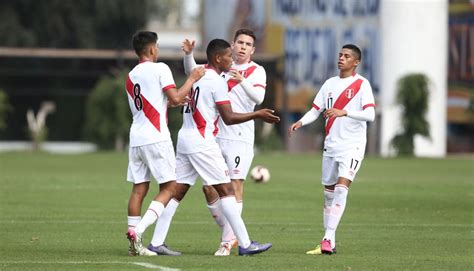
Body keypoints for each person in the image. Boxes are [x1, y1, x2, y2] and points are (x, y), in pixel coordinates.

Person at [134, 38, 278, 256]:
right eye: (229, 56)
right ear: (218, 58)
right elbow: (228, 117)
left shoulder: (199, 75)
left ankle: (155, 241)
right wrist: (257, 114)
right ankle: (245, 244)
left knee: (176, 192)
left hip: (185, 138)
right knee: (227, 190)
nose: (232, 60)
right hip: (202, 142)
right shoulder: (216, 81)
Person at [180, 29, 267, 256]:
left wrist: (243, 80)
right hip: (215, 135)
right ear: (232, 44)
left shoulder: (257, 71)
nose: (243, 47)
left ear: (253, 50)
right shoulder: (220, 67)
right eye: (240, 42)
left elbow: (259, 99)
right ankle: (233, 233)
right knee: (209, 188)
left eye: (248, 44)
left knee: (235, 186)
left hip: (240, 136)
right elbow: (193, 72)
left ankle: (227, 242)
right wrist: (188, 54)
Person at [288, 44, 375, 255]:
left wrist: (344, 112)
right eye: (340, 55)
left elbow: (370, 115)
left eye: (347, 56)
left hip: (352, 146)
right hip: (331, 146)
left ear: (356, 62)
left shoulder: (362, 84)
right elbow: (315, 110)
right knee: (328, 194)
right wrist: (300, 122)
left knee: (341, 188)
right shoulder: (329, 84)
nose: (341, 58)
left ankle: (326, 238)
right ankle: (330, 242)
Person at [124, 30, 205, 256]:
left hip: (136, 137)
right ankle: (138, 232)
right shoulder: (161, 68)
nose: (157, 50)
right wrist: (192, 78)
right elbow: (176, 98)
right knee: (170, 187)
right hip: (156, 137)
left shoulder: (131, 75)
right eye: (157, 47)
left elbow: (152, 103)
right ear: (151, 49)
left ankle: (135, 247)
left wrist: (171, 103)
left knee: (139, 188)